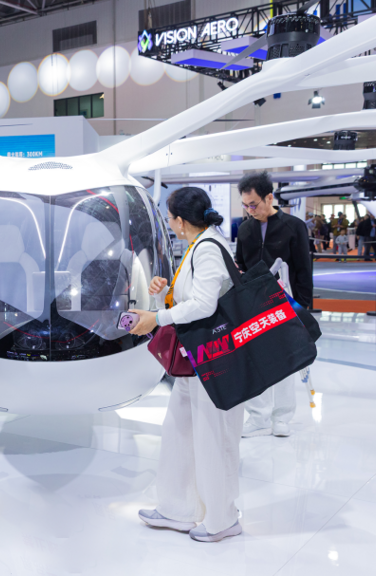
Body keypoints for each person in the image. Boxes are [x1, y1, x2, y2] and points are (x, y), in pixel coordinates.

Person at [129, 187, 243, 543]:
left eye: (169, 217)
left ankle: (222, 519)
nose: (169, 223)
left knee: (213, 438)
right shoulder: (201, 244)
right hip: (196, 359)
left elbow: (206, 305)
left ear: (179, 220)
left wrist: (157, 316)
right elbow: (196, 297)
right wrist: (166, 292)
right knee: (179, 432)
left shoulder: (208, 248)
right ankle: (178, 509)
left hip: (215, 360)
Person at [234, 172, 313, 438]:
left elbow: (304, 271)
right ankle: (258, 417)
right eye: (245, 205)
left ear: (269, 197)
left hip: (286, 305)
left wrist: (302, 310)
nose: (249, 210)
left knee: (284, 361)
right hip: (253, 305)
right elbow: (240, 266)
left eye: (253, 204)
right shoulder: (245, 229)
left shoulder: (294, 226)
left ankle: (282, 417)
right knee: (253, 360)